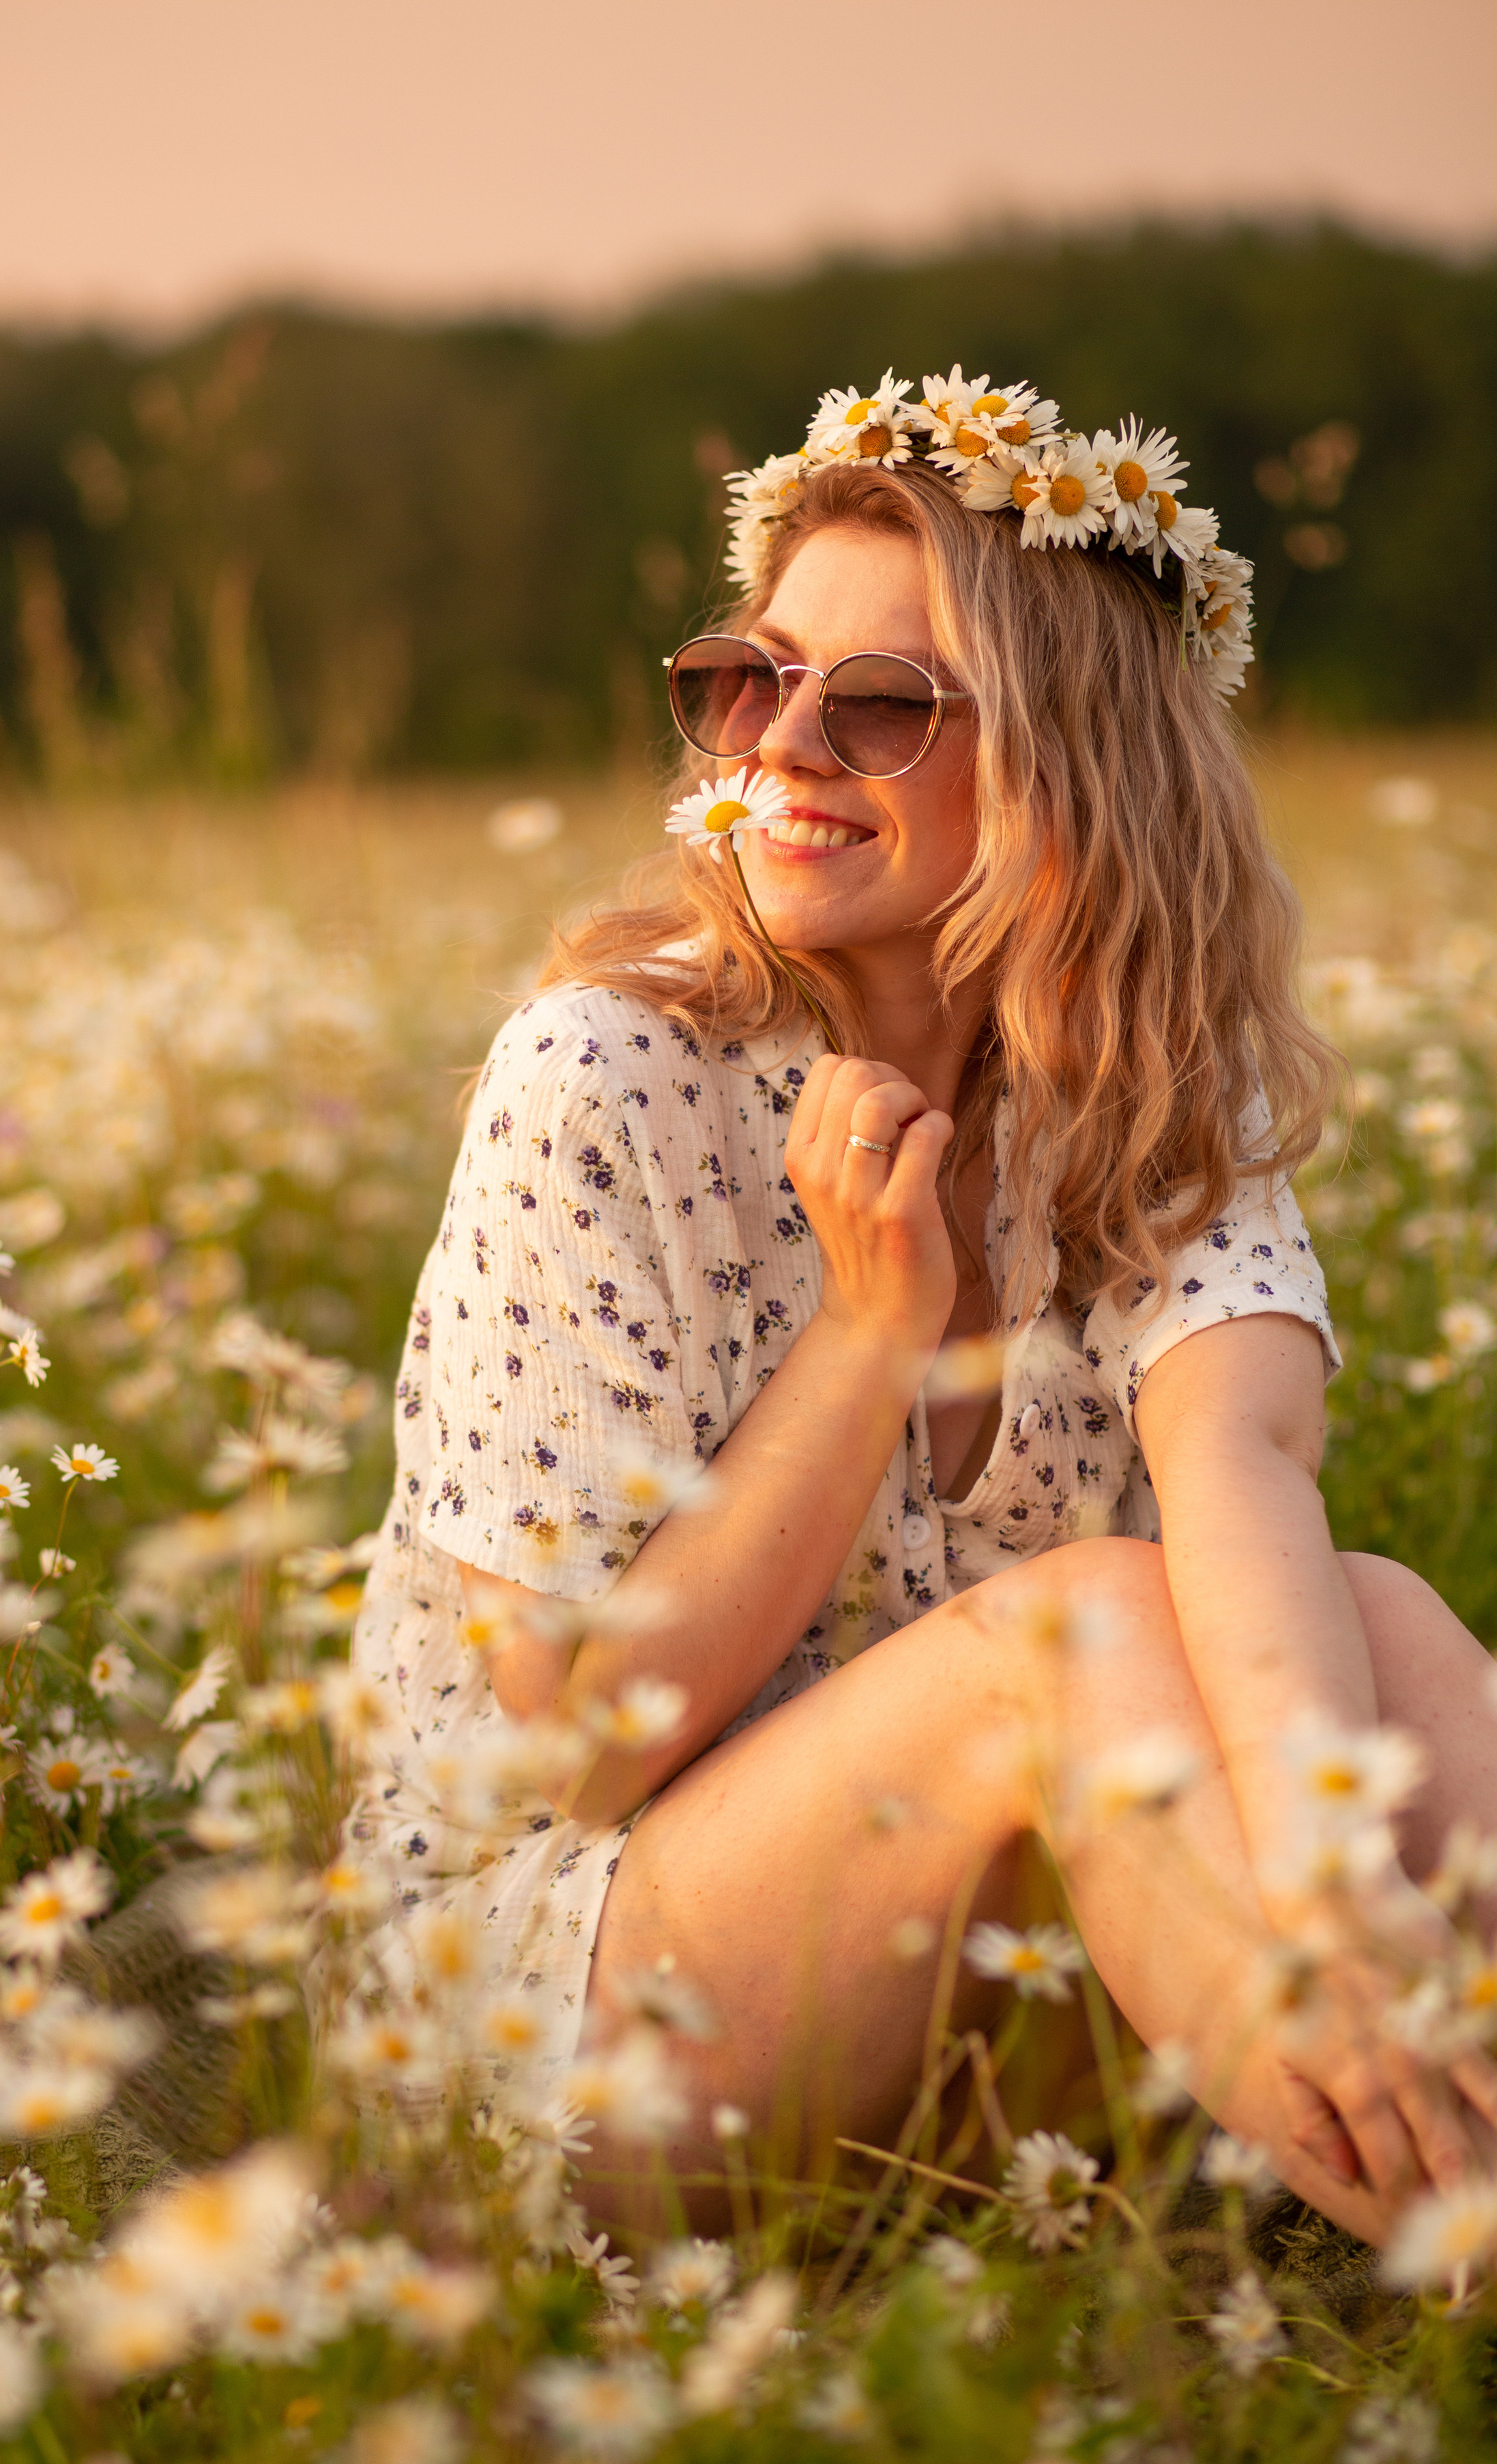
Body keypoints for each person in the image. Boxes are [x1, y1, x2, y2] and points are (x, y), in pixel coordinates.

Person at [349, 368, 1497, 2244]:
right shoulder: (602, 1079)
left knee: (1378, 1628)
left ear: (1072, 764)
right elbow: (580, 1744)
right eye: (751, 678)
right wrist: (872, 1331)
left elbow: (1246, 1465)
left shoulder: (1146, 1093)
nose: (782, 746)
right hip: (550, 2018)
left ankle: (1424, 2173)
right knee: (1074, 1637)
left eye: (881, 706)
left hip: (976, 1995)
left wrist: (1329, 1870)